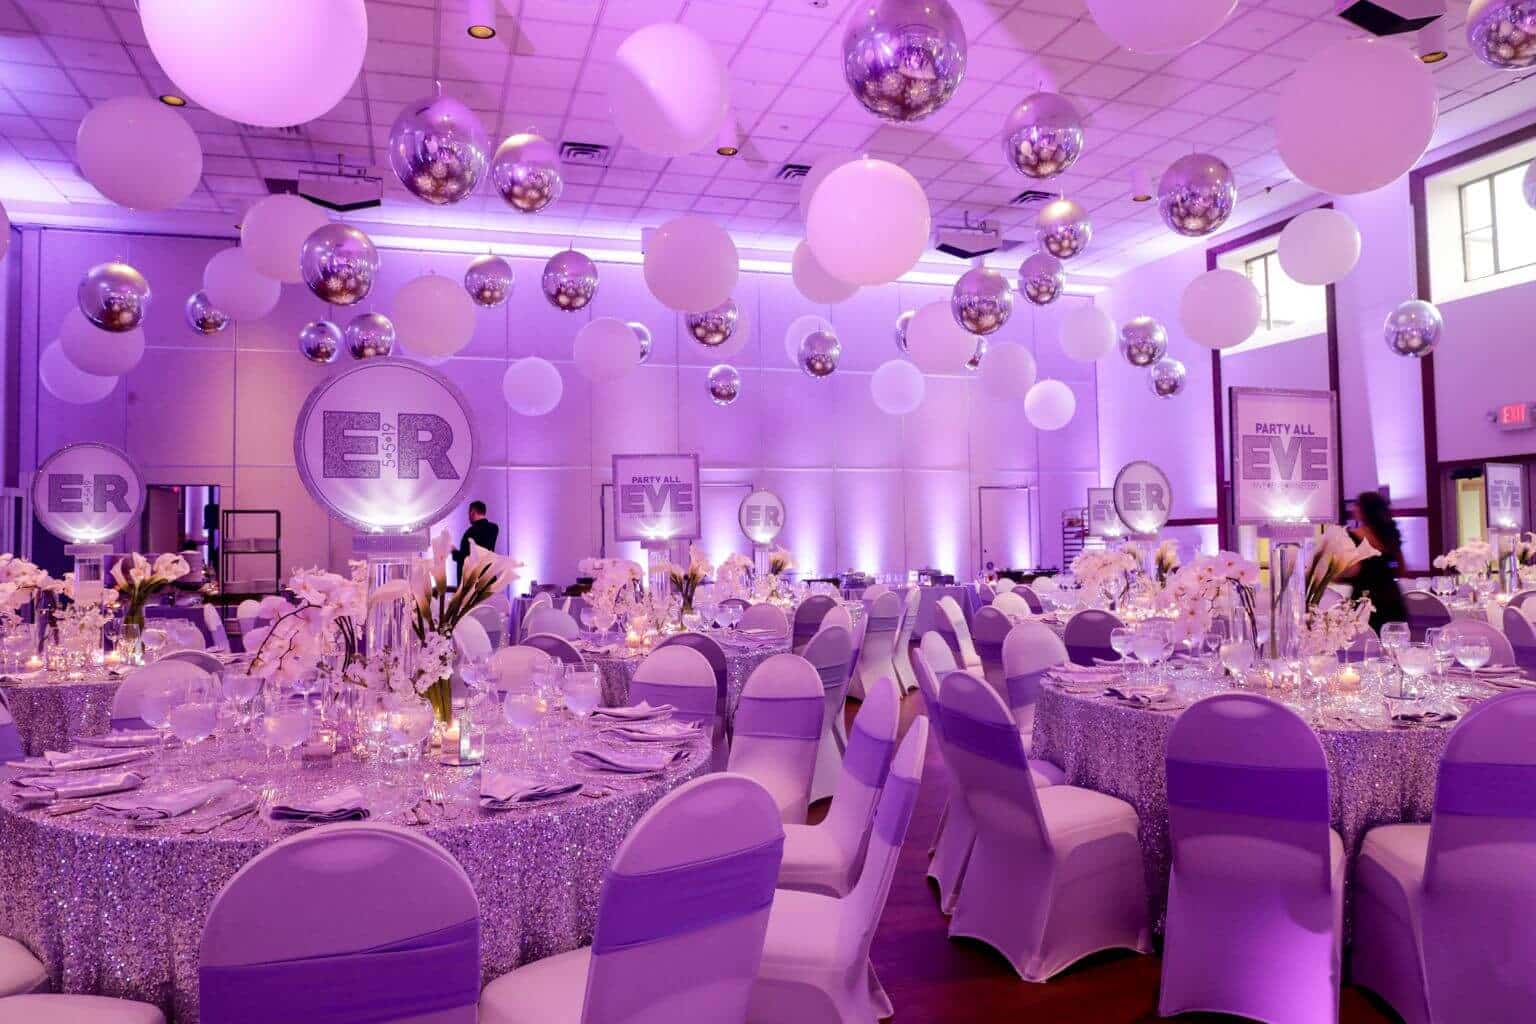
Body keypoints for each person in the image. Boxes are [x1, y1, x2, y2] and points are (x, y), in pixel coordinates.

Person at [1339, 490, 1408, 632]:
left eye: (1357, 505)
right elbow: (1402, 569)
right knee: (1393, 644)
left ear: (1364, 510)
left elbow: (1353, 570)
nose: (1354, 508)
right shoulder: (1390, 534)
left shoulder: (1353, 536)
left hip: (1365, 601)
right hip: (1392, 597)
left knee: (1367, 645)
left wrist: (1332, 575)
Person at [453, 500, 499, 586]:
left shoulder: (470, 532)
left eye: (469, 513)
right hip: (489, 578)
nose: (468, 516)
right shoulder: (494, 528)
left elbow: (465, 558)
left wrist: (453, 551)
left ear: (473, 512)